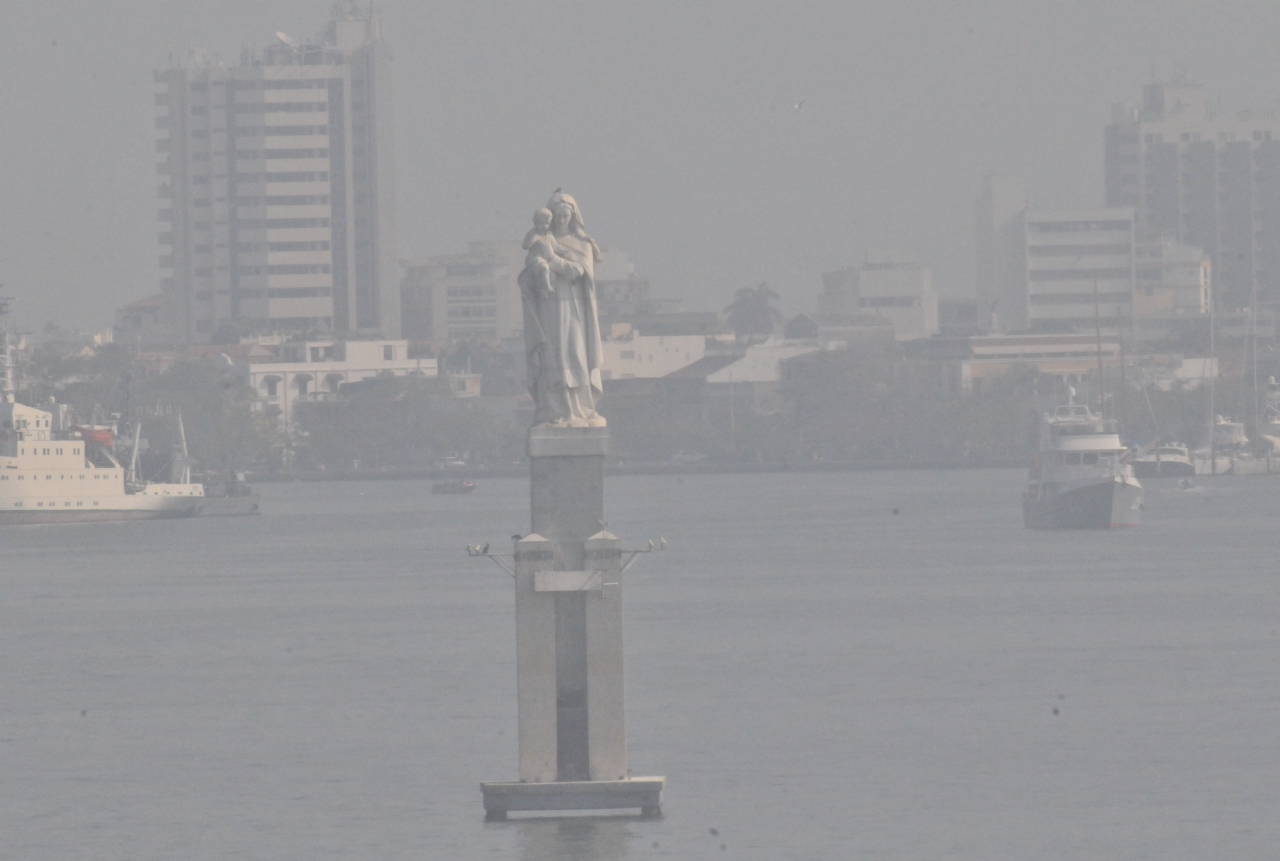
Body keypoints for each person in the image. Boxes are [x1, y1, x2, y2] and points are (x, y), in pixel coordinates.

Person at [519, 192, 606, 427]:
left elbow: (580, 271)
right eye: (557, 216)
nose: (561, 220)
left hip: (574, 307)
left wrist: (554, 260)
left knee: (575, 354)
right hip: (549, 306)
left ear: (573, 216)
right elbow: (529, 276)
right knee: (552, 355)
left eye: (566, 215)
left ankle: (581, 408)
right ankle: (552, 408)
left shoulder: (582, 244)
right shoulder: (541, 240)